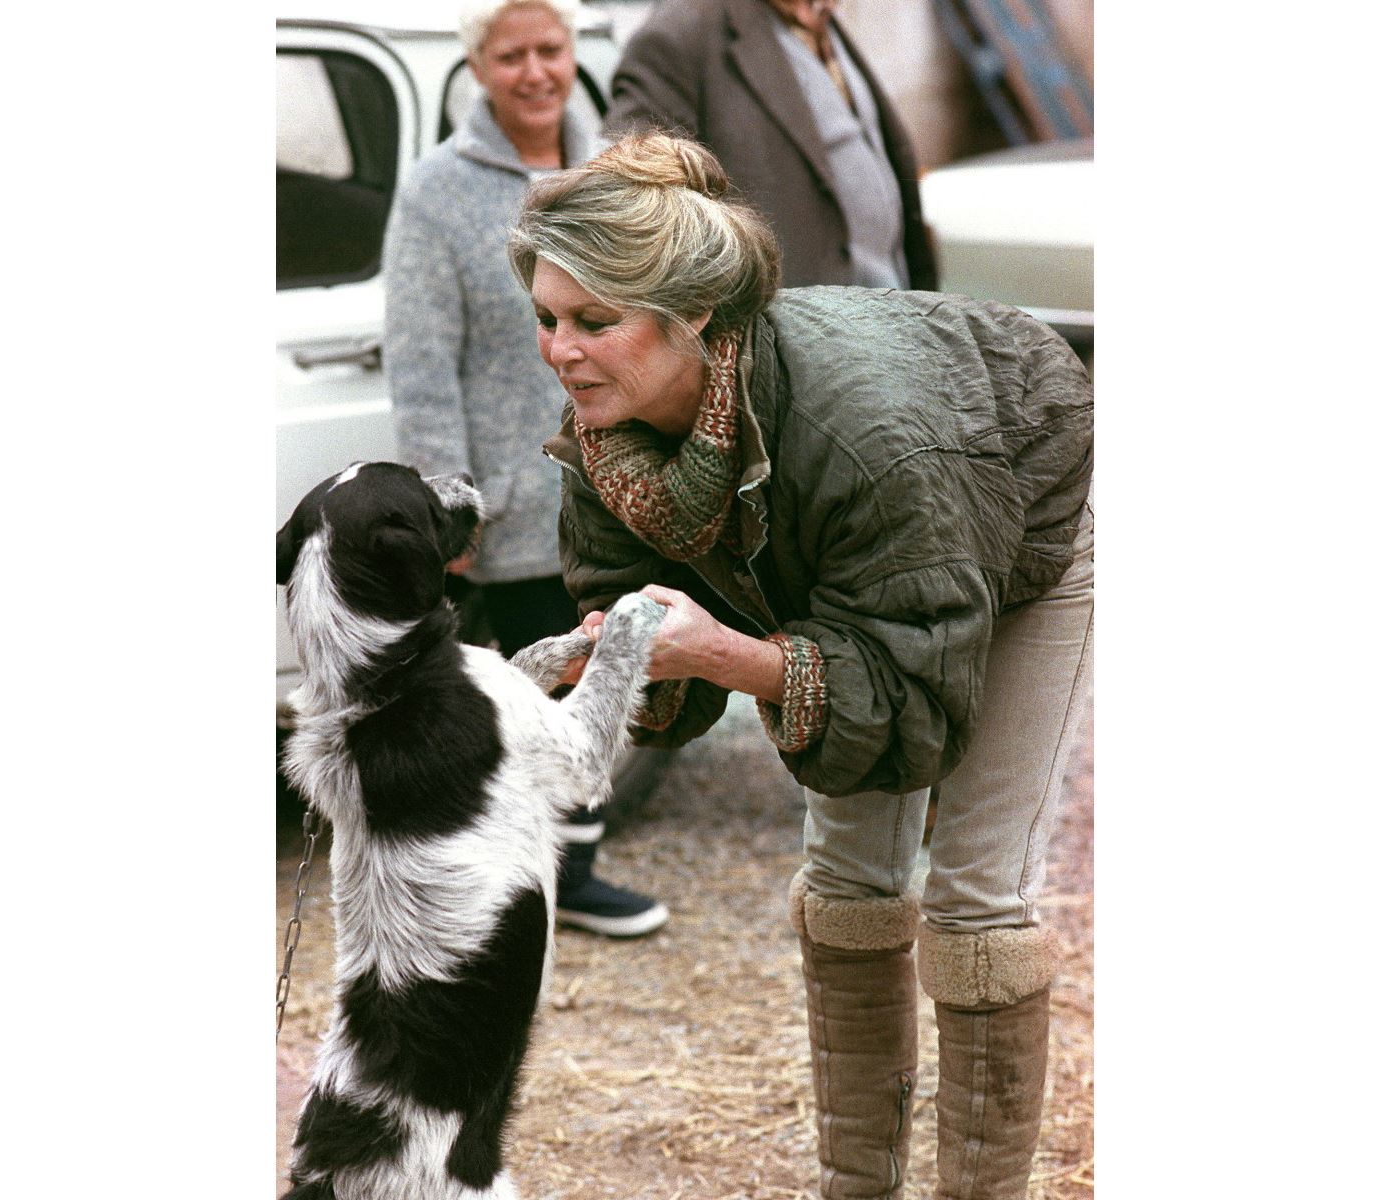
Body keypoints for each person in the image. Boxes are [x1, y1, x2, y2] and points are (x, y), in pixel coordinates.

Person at [509, 134, 1093, 1199]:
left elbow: (911, 702)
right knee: (847, 884)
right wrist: (614, 658)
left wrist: (725, 652)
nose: (560, 350)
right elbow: (639, 627)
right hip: (868, 565)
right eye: (548, 318)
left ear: (693, 320)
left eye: (594, 322)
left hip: (1017, 537)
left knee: (970, 901)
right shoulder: (610, 431)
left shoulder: (870, 436)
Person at [383, 0, 668, 938]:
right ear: (479, 67)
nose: (537, 71)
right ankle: (542, 876)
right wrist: (445, 505)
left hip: (621, 483)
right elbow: (420, 357)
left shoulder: (614, 176)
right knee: (533, 692)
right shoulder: (437, 190)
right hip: (513, 503)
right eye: (513, 55)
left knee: (617, 665)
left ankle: (567, 868)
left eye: (551, 50)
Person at [604, 0, 937, 292]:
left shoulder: (818, 17)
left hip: (889, 314)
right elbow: (635, 185)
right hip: (790, 336)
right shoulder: (682, 28)